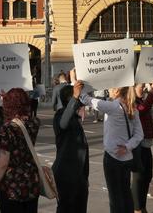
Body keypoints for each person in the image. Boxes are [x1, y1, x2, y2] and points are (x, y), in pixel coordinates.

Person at [79, 83, 144, 213]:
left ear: (117, 91)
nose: (108, 90)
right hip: (127, 157)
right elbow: (139, 134)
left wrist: (76, 82)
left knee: (115, 197)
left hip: (113, 157)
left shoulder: (113, 106)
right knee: (126, 193)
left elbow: (86, 99)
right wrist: (127, 146)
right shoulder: (133, 108)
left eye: (111, 87)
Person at [0, 88, 41, 212]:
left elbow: (2, 163)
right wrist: (7, 97)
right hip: (31, 184)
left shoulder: (7, 129)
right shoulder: (34, 123)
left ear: (9, 105)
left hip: (11, 187)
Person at [53, 81, 89, 213]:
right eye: (77, 97)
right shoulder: (60, 115)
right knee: (66, 208)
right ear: (70, 99)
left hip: (79, 176)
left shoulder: (75, 117)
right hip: (66, 175)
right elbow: (63, 123)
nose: (80, 100)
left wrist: (85, 177)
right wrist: (75, 97)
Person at [131, 81, 153, 213]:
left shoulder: (140, 100)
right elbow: (142, 110)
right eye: (141, 87)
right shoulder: (132, 102)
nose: (143, 89)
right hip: (138, 144)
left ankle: (142, 206)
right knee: (138, 177)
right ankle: (136, 208)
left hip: (146, 143)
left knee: (147, 176)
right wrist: (152, 92)